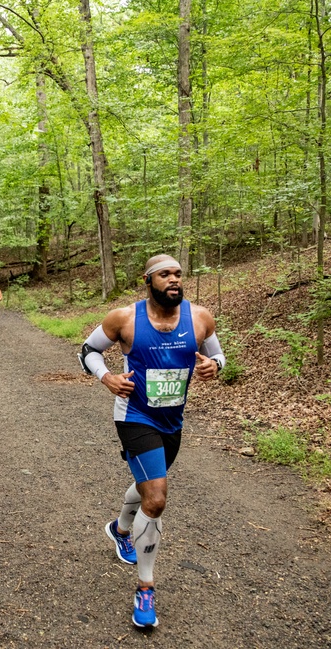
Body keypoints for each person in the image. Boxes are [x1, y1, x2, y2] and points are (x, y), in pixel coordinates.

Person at [78, 254, 226, 629]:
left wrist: (216, 366)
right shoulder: (124, 318)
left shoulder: (200, 318)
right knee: (156, 499)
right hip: (134, 416)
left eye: (178, 273)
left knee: (147, 489)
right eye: (165, 274)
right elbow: (87, 351)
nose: (174, 279)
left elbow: (217, 354)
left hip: (171, 421)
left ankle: (120, 529)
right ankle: (146, 588)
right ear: (148, 280)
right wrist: (106, 377)